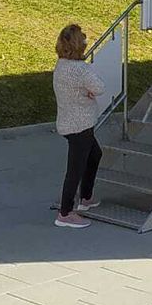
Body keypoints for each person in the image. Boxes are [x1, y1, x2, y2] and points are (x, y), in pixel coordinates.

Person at [52, 24, 105, 228]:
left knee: (95, 154)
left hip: (68, 120)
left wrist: (85, 91)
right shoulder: (80, 69)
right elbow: (99, 87)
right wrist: (88, 90)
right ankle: (65, 213)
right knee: (75, 169)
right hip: (80, 124)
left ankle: (86, 197)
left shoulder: (61, 66)